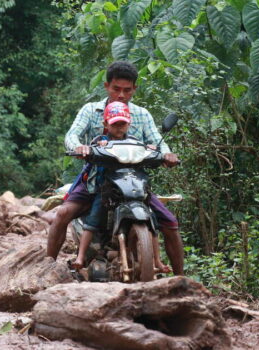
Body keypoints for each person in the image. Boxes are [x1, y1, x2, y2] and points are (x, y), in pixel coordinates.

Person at [47, 60, 184, 275]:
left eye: (127, 90)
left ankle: (180, 280)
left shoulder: (142, 115)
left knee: (170, 222)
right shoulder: (91, 110)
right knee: (63, 213)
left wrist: (167, 154)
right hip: (97, 179)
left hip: (133, 180)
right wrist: (79, 147)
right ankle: (46, 268)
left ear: (134, 90)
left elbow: (158, 141)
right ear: (106, 86)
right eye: (116, 89)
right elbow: (72, 135)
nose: (121, 95)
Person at [74, 101, 169, 272]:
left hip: (134, 185)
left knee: (153, 220)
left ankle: (157, 261)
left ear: (129, 123)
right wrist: (89, 149)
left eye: (122, 124)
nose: (119, 128)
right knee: (94, 219)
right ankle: (80, 256)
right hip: (108, 188)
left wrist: (153, 150)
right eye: (115, 124)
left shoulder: (134, 142)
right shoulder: (100, 141)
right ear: (106, 124)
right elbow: (91, 149)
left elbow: (146, 150)